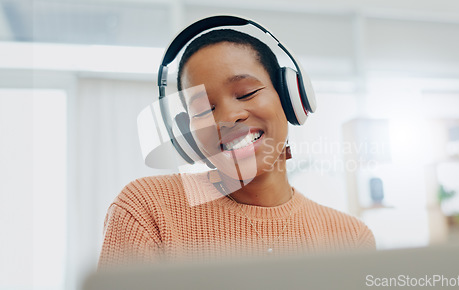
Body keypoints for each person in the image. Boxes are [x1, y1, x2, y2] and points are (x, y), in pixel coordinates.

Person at [98, 25, 375, 269]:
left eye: (246, 93)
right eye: (203, 110)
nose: (228, 118)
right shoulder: (147, 209)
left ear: (290, 97)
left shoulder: (350, 237)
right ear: (188, 136)